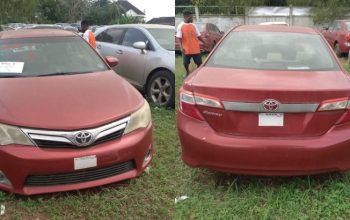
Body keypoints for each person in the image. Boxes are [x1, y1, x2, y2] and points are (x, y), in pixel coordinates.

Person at [176, 11, 204, 78]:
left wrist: (204, 42)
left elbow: (198, 35)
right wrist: (181, 47)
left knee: (199, 63)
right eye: (191, 17)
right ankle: (187, 72)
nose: (192, 19)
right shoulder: (180, 26)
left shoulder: (193, 25)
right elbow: (179, 38)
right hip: (186, 49)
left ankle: (196, 73)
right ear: (186, 17)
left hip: (195, 48)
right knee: (185, 63)